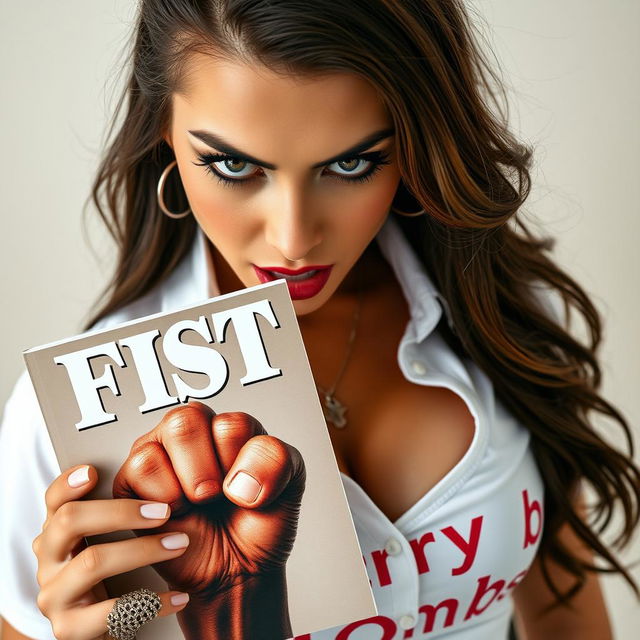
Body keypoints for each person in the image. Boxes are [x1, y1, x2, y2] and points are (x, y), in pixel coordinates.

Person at [1, 0, 639, 638]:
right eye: (233, 165)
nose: (294, 238)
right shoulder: (65, 423)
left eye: (351, 164)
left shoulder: (503, 316)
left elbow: (568, 616)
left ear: (415, 142)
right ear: (164, 132)